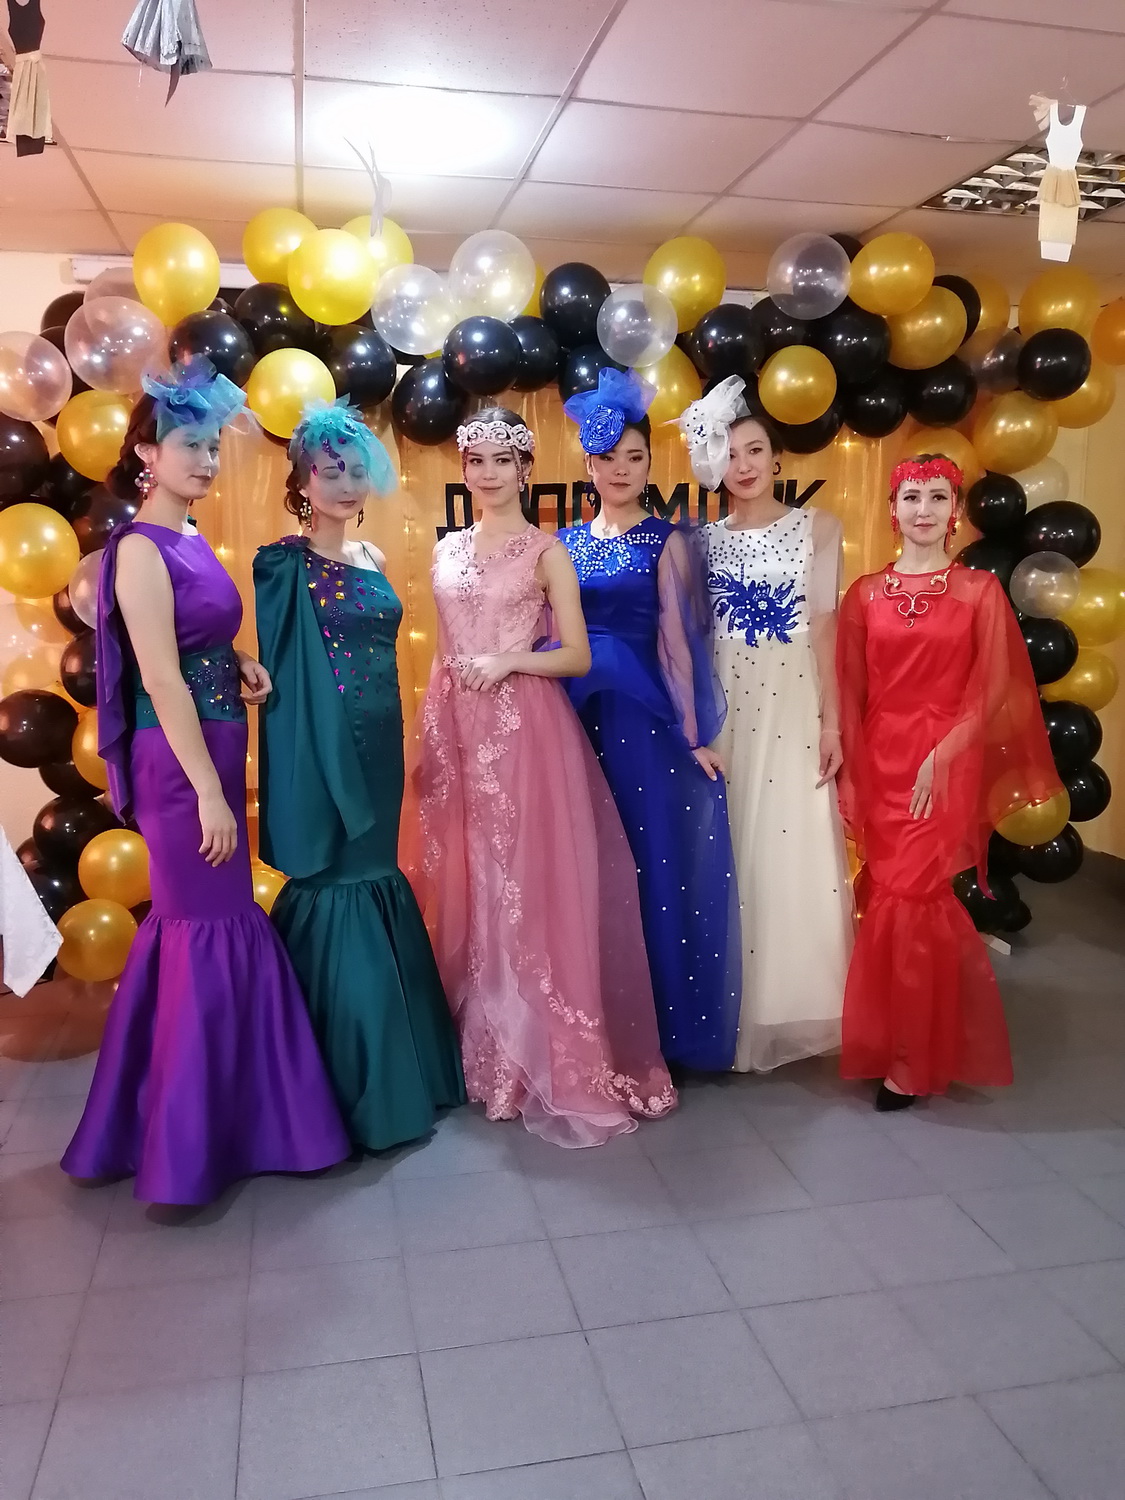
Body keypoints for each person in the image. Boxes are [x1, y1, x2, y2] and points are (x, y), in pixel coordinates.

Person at [62, 361, 348, 1205]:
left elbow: (194, 647)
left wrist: (240, 660)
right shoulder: (138, 549)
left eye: (212, 447)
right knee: (201, 924)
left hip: (213, 744)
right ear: (146, 454)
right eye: (189, 445)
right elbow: (158, 677)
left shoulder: (188, 539)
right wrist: (213, 794)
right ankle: (188, 1146)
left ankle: (233, 1122)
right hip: (180, 767)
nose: (206, 460)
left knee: (210, 922)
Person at [404, 406, 676, 1146]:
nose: (488, 473)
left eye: (503, 460)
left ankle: (536, 1050)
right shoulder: (447, 549)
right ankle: (484, 1045)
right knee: (472, 880)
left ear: (526, 470)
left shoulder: (547, 551)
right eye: (477, 461)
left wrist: (509, 660)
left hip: (524, 727)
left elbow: (577, 655)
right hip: (458, 725)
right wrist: (437, 722)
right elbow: (448, 649)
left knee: (525, 881)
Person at [254, 399, 465, 1151]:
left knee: (378, 869)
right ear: (302, 482)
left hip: (381, 739)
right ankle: (343, 1085)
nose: (344, 484)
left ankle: (406, 1064)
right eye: (328, 471)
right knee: (338, 876)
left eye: (354, 471)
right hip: (324, 744)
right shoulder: (281, 563)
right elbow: (286, 674)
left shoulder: (374, 557)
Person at [836, 455, 1062, 1109]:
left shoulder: (978, 593)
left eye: (937, 497)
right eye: (911, 497)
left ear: (955, 512)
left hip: (941, 766)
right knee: (887, 898)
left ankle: (912, 1060)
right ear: (892, 510)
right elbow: (850, 693)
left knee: (912, 901)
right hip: (881, 763)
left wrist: (943, 755)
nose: (923, 510)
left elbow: (991, 689)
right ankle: (891, 1038)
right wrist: (851, 773)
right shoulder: (864, 595)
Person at [558, 368, 739, 1071]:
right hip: (575, 718)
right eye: (608, 457)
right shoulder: (562, 544)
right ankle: (594, 1025)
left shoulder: (668, 541)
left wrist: (693, 735)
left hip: (639, 720)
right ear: (588, 465)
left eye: (634, 457)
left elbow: (678, 643)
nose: (621, 470)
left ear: (647, 466)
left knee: (647, 867)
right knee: (585, 870)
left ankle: (658, 1033)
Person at [680, 375, 853, 1073]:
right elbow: (690, 641)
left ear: (777, 457)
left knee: (788, 847)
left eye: (755, 450)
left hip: (792, 704)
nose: (744, 464)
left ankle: (785, 1004)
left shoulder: (820, 528)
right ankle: (724, 1009)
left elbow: (825, 633)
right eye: (729, 452)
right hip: (726, 707)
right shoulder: (698, 542)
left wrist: (833, 724)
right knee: (726, 849)